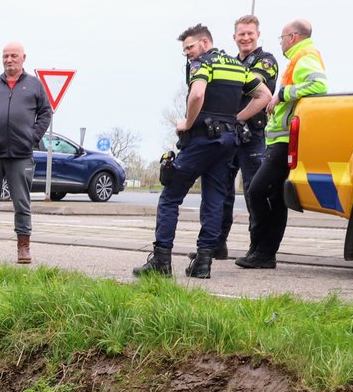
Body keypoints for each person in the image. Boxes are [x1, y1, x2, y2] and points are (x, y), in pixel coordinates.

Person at [135, 24, 270, 279]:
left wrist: (186, 123)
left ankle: (161, 260)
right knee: (214, 198)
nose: (187, 53)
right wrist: (235, 119)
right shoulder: (236, 66)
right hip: (228, 141)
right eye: (184, 49)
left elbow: (197, 94)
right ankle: (203, 262)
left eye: (190, 47)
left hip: (201, 140)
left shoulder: (203, 64)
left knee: (170, 195)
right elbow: (264, 95)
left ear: (205, 42)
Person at [237, 19, 328, 269]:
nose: (281, 43)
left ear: (293, 37)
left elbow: (319, 85)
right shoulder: (299, 57)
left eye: (282, 38)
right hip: (279, 138)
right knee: (275, 198)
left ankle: (263, 251)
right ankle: (262, 252)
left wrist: (281, 94)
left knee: (256, 192)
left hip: (285, 140)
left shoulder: (305, 55)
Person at [0, 41, 52, 265]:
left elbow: (46, 113)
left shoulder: (34, 86)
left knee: (21, 203)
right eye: (5, 56)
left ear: (24, 58)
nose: (9, 60)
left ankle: (23, 248)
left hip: (21, 155)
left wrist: (31, 137)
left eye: (14, 56)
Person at [214, 15, 280, 260]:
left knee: (254, 192)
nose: (246, 38)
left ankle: (258, 249)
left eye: (250, 33)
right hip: (229, 134)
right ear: (234, 37)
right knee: (221, 190)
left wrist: (222, 75)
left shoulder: (267, 61)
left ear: (258, 34)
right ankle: (216, 243)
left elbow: (252, 84)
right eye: (241, 34)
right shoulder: (231, 61)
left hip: (252, 135)